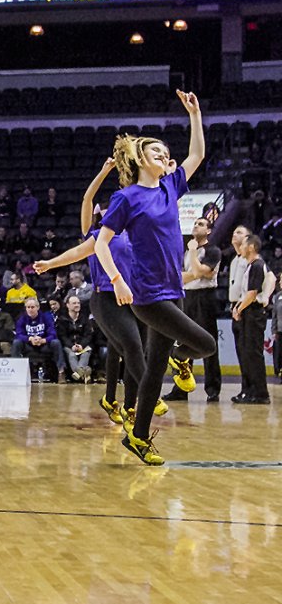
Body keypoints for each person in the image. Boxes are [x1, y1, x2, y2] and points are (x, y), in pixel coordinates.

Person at [95, 91, 215, 465]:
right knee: (206, 344)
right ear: (140, 160)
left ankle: (139, 437)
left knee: (150, 374)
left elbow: (197, 156)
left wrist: (195, 115)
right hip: (147, 296)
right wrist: (116, 279)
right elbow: (101, 244)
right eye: (157, 152)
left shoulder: (170, 187)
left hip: (174, 290)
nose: (165, 155)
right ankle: (181, 361)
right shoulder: (126, 198)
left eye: (166, 152)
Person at [33, 158, 156, 428]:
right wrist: (104, 171)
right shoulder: (97, 234)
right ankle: (139, 396)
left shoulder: (135, 233)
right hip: (106, 297)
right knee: (129, 348)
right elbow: (87, 200)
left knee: (128, 351)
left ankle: (126, 405)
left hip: (135, 299)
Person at [166, 216, 223, 401]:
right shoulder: (185, 251)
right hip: (187, 296)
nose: (196, 226)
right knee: (182, 342)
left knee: (208, 342)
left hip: (204, 298)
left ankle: (213, 389)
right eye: (195, 223)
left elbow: (200, 272)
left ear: (208, 231)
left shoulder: (213, 251)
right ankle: (180, 389)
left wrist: (192, 251)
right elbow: (183, 275)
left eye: (201, 224)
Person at [231, 235, 271, 404]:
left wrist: (239, 308)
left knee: (253, 353)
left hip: (254, 312)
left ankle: (261, 393)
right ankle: (252, 391)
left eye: (245, 244)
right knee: (247, 352)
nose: (241, 246)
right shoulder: (251, 266)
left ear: (252, 247)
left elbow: (252, 293)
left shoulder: (257, 265)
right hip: (249, 311)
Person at [13, 298, 63, 382]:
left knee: (56, 342)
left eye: (32, 307)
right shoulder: (22, 318)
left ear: (38, 307)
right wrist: (30, 338)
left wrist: (43, 340)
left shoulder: (46, 317)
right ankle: (17, 373)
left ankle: (61, 372)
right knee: (16, 342)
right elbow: (18, 334)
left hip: (43, 345)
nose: (30, 309)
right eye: (28, 307)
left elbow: (53, 334)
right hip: (28, 345)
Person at [57, 294, 95, 382]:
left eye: (78, 303)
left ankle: (78, 374)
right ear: (68, 305)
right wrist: (71, 346)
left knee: (86, 353)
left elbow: (88, 335)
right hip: (69, 345)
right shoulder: (62, 319)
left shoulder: (85, 319)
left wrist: (82, 345)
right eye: (74, 303)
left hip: (83, 345)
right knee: (72, 355)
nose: (77, 305)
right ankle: (84, 374)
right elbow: (62, 336)